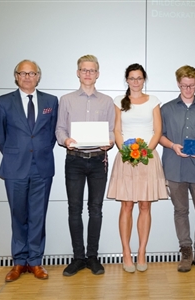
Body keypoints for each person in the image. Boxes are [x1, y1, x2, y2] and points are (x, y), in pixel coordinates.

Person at [0, 59, 58, 282]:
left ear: (38, 76)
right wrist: (16, 154)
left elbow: (51, 135)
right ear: (16, 76)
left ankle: (36, 262)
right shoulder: (3, 102)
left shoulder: (51, 101)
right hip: (14, 168)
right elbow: (0, 136)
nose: (27, 77)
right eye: (23, 73)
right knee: (18, 216)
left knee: (38, 216)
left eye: (32, 73)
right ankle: (19, 262)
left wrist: (36, 151)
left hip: (42, 167)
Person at [55, 54, 115, 276]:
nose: (88, 73)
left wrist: (109, 141)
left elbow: (111, 130)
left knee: (96, 210)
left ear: (97, 74)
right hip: (75, 160)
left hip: (99, 160)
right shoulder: (67, 100)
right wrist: (66, 140)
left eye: (92, 70)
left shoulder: (107, 101)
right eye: (84, 70)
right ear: (78, 73)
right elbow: (60, 129)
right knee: (74, 209)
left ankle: (93, 257)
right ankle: (78, 258)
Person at [107, 63, 168, 273]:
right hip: (125, 157)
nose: (135, 81)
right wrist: (126, 151)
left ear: (144, 79)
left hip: (147, 157)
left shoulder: (154, 101)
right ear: (127, 80)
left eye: (139, 78)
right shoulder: (118, 101)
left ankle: (141, 252)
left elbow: (158, 130)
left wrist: (144, 152)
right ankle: (126, 253)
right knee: (126, 206)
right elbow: (116, 129)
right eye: (132, 78)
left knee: (144, 206)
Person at [159, 65, 195, 272]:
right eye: (184, 85)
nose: (188, 89)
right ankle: (185, 251)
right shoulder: (166, 109)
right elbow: (160, 135)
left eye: (191, 85)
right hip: (175, 168)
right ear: (178, 83)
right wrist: (173, 145)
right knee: (181, 210)